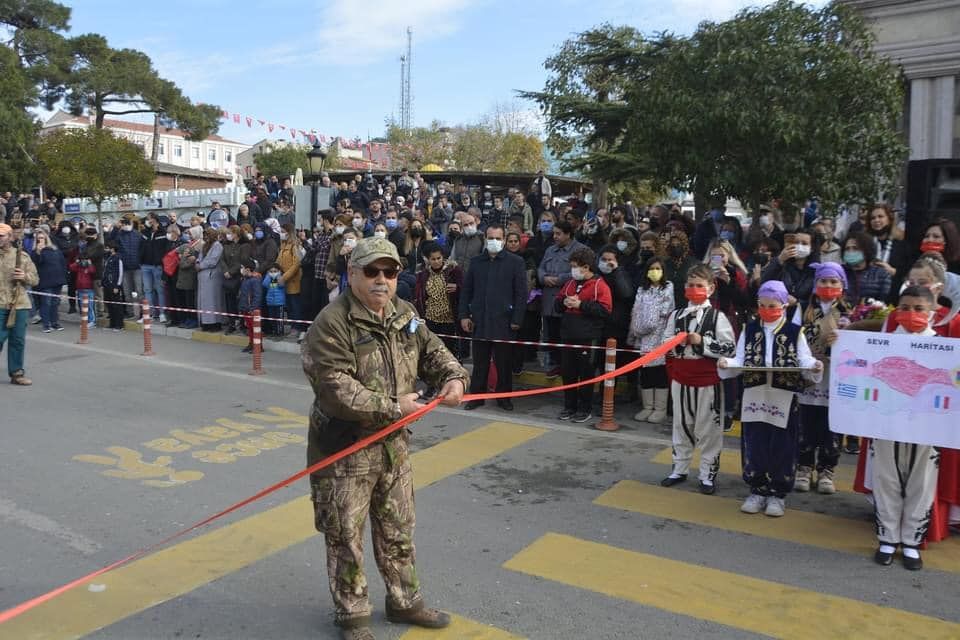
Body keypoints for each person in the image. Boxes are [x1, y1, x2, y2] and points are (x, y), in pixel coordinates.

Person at [301, 236, 467, 640]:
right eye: (371, 272)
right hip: (345, 449)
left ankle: (404, 602)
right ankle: (353, 616)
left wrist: (454, 377)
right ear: (352, 274)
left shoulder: (404, 313)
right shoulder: (332, 322)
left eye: (389, 272)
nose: (381, 281)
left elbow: (432, 349)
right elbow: (335, 389)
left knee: (398, 529)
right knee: (345, 538)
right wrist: (396, 406)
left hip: (393, 446)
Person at [718, 280, 823, 516]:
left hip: (782, 395)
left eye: (772, 305)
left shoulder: (795, 332)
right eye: (762, 305)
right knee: (755, 442)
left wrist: (813, 366)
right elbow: (740, 358)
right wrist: (728, 364)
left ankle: (778, 493)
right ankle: (757, 489)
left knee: (782, 444)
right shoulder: (750, 328)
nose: (766, 310)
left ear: (783, 305)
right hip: (755, 391)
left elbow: (804, 359)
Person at [868, 285, 941, 569]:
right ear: (897, 311)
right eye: (906, 308)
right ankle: (887, 538)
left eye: (919, 309)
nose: (912, 314)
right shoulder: (882, 344)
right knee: (886, 478)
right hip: (888, 424)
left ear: (932, 312)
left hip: (927, 428)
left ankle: (911, 541)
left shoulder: (943, 346)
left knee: (921, 482)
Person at [660, 265, 736, 494]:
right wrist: (674, 344)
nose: (694, 289)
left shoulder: (718, 317)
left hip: (707, 381)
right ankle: (679, 468)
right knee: (681, 425)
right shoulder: (677, 314)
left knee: (708, 429)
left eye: (699, 286)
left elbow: (730, 348)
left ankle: (707, 474)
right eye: (691, 285)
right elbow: (665, 344)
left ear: (711, 288)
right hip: (681, 378)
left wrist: (701, 341)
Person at [796, 262, 852, 494]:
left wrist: (847, 334)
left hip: (836, 378)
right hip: (810, 376)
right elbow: (793, 338)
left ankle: (827, 470)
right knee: (806, 425)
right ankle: (804, 467)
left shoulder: (851, 312)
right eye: (823, 281)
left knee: (832, 428)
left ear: (842, 285)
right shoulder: (803, 309)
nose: (828, 285)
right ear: (815, 284)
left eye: (833, 281)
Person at [460, 224, 528, 412]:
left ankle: (503, 397)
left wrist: (517, 319)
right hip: (480, 320)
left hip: (504, 321)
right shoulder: (476, 262)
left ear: (504, 240)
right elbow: (467, 291)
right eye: (491, 238)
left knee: (504, 363)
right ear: (485, 239)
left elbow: (521, 294)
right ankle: (477, 397)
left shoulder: (515, 262)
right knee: (480, 362)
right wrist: (464, 315)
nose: (494, 242)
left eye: (498, 238)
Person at [555, 247, 612, 422]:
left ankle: (585, 408)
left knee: (586, 373)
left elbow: (605, 310)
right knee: (568, 372)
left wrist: (581, 305)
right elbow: (557, 304)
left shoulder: (599, 285)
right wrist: (564, 302)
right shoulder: (570, 283)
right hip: (568, 335)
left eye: (575, 266)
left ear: (586, 267)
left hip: (588, 337)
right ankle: (569, 406)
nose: (573, 270)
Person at [628, 255, 675, 423]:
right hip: (643, 337)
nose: (655, 272)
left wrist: (644, 323)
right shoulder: (642, 289)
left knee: (659, 373)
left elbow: (663, 311)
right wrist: (635, 330)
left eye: (658, 269)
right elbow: (636, 309)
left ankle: (660, 409)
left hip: (660, 336)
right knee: (646, 372)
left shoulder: (668, 287)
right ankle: (647, 407)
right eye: (652, 269)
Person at [538, 220, 584, 375]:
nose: (555, 237)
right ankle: (554, 363)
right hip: (549, 299)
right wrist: (544, 277)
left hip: (567, 299)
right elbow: (541, 267)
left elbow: (580, 272)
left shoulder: (580, 250)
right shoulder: (550, 250)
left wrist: (559, 279)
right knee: (551, 333)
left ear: (568, 234)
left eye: (558, 234)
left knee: (565, 334)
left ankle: (565, 366)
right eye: (554, 233)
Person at [0, 222, 40, 385]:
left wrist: (23, 276)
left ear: (9, 237)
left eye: (1, 236)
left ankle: (16, 373)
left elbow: (35, 280)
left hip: (19, 304)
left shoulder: (22, 256)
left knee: (17, 340)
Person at [597, 245, 638, 401]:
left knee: (613, 365)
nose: (607, 263)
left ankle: (609, 399)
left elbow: (626, 293)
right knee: (602, 365)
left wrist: (617, 271)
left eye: (610, 260)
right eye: (604, 259)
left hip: (616, 327)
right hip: (599, 326)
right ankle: (602, 397)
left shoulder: (622, 274)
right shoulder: (596, 276)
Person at [414, 242, 463, 360]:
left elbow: (466, 289)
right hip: (430, 319)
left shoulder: (454, 271)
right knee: (432, 352)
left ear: (443, 257)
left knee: (449, 352)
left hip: (449, 320)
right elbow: (419, 296)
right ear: (427, 260)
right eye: (433, 259)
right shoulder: (423, 275)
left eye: (438, 258)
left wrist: (458, 287)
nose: (436, 261)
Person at [761, 228, 818, 310]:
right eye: (796, 242)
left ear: (812, 248)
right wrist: (779, 260)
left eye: (804, 244)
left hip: (803, 316)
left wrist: (797, 302)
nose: (799, 246)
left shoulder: (816, 270)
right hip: (779, 312)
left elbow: (817, 301)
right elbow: (764, 283)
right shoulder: (781, 264)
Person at [29, 229, 66, 333]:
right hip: (45, 281)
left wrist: (63, 277)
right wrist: (38, 252)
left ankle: (55, 322)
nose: (41, 240)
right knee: (46, 303)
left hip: (57, 280)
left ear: (46, 238)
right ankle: (46, 324)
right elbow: (35, 264)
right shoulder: (34, 252)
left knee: (55, 303)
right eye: (38, 238)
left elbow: (62, 263)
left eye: (42, 237)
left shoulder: (54, 249)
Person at [841, 231, 892, 304]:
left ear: (866, 250)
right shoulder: (839, 271)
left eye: (855, 248)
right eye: (847, 248)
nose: (850, 251)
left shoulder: (881, 274)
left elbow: (883, 302)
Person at [140, 212, 170, 324]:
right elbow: (141, 247)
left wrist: (161, 262)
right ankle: (150, 313)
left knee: (160, 290)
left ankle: (162, 313)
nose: (147, 221)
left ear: (154, 219)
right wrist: (141, 259)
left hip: (158, 266)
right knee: (147, 290)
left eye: (148, 219)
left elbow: (165, 249)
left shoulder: (163, 232)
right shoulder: (145, 232)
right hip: (145, 265)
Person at [112, 217, 143, 319]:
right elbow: (112, 242)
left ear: (132, 224)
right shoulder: (119, 234)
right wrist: (116, 228)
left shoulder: (138, 234)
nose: (126, 225)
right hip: (125, 267)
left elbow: (142, 248)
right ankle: (130, 312)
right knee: (127, 291)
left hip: (137, 267)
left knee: (139, 291)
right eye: (124, 223)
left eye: (128, 223)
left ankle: (142, 312)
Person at [277, 223, 303, 338]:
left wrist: (284, 277)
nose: (281, 234)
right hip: (284, 280)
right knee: (290, 305)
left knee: (295, 305)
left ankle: (296, 328)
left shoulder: (294, 245)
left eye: (283, 231)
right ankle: (292, 325)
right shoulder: (283, 245)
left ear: (289, 232)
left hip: (293, 280)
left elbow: (296, 264)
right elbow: (278, 261)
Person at [196, 227, 224, 332]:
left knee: (212, 301)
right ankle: (205, 323)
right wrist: (198, 263)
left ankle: (215, 323)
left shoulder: (217, 246)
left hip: (212, 277)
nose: (206, 237)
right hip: (203, 276)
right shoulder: (204, 246)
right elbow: (199, 257)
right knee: (203, 301)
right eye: (205, 235)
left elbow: (213, 260)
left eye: (208, 235)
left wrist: (201, 265)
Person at [219, 226, 246, 335]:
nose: (228, 235)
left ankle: (243, 323)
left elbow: (241, 260)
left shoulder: (242, 246)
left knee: (240, 301)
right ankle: (232, 323)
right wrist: (225, 271)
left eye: (230, 233)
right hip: (227, 277)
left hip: (238, 276)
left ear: (236, 234)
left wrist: (231, 272)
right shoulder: (226, 246)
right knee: (229, 301)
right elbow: (222, 259)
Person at [238, 258, 263, 354]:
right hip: (246, 308)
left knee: (255, 327)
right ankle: (251, 343)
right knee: (249, 327)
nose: (241, 270)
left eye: (242, 268)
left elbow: (257, 296)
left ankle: (258, 346)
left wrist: (253, 308)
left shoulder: (255, 280)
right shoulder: (245, 279)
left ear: (248, 269)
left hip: (252, 309)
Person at [68, 252, 97, 328]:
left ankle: (92, 321)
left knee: (90, 306)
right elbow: (71, 267)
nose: (83, 261)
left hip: (89, 289)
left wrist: (89, 264)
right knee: (83, 307)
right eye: (82, 260)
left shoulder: (90, 266)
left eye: (85, 259)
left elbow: (92, 271)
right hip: (80, 289)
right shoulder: (78, 267)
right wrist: (76, 262)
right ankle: (85, 321)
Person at [102, 240, 125, 331]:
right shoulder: (108, 257)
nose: (106, 249)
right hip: (107, 284)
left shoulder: (118, 258)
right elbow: (105, 272)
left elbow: (120, 273)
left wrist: (117, 286)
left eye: (107, 248)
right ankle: (112, 324)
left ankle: (119, 325)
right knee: (109, 304)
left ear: (112, 249)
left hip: (114, 285)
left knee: (116, 305)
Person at [263, 263, 286, 337]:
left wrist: (278, 275)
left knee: (279, 319)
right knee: (272, 318)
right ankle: (274, 331)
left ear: (279, 271)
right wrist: (268, 276)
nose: (273, 273)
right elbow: (265, 284)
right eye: (271, 271)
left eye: (275, 271)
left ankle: (280, 333)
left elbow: (281, 284)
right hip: (270, 302)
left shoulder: (281, 277)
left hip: (279, 302)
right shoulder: (268, 277)